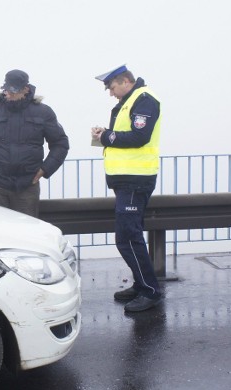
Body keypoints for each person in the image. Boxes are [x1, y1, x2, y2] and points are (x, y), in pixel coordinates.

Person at [91, 64, 163, 312]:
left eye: (112, 87)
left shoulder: (144, 99)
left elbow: (139, 137)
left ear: (124, 81)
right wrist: (107, 134)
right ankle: (141, 284)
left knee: (127, 237)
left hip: (136, 179)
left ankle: (150, 291)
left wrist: (106, 137)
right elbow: (127, 133)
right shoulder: (131, 100)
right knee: (130, 235)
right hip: (127, 179)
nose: (111, 93)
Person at [0, 69, 69, 217]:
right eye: (6, 89)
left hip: (27, 187)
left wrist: (44, 170)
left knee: (26, 236)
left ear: (25, 90)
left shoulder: (44, 112)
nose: (8, 93)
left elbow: (60, 144)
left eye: (13, 91)